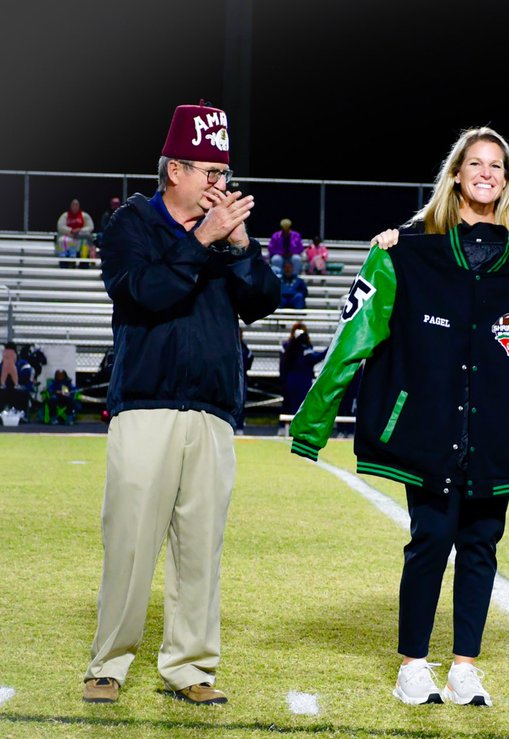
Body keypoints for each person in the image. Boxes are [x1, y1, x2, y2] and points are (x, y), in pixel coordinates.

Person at [289, 126, 509, 708]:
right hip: (428, 428)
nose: (486, 173)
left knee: (481, 545)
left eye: (497, 166)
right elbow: (354, 337)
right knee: (430, 539)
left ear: (508, 181)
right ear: (455, 175)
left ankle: (464, 668)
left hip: (499, 432)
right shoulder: (409, 250)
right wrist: (312, 423)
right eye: (475, 163)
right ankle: (412, 665)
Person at [82, 101, 280, 706]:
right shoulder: (131, 223)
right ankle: (109, 662)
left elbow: (263, 301)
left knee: (200, 549)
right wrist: (203, 240)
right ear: (175, 171)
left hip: (213, 409)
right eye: (211, 172)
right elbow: (142, 293)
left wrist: (240, 246)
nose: (221, 184)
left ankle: (190, 666)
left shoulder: (221, 235)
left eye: (224, 173)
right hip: (147, 404)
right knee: (130, 542)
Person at [279, 321, 324, 424]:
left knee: (294, 406)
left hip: (295, 379)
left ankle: (290, 427)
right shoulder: (291, 347)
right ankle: (288, 427)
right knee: (293, 406)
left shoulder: (298, 347)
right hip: (299, 380)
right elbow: (314, 358)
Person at [55, 198, 95, 262]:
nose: (75, 206)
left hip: (80, 235)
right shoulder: (65, 215)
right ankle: (63, 260)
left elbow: (90, 226)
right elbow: (60, 226)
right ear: (71, 206)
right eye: (73, 205)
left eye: (76, 205)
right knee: (61, 240)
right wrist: (71, 230)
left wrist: (80, 230)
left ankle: (85, 261)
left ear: (79, 206)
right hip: (68, 235)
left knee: (87, 240)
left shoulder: (84, 215)